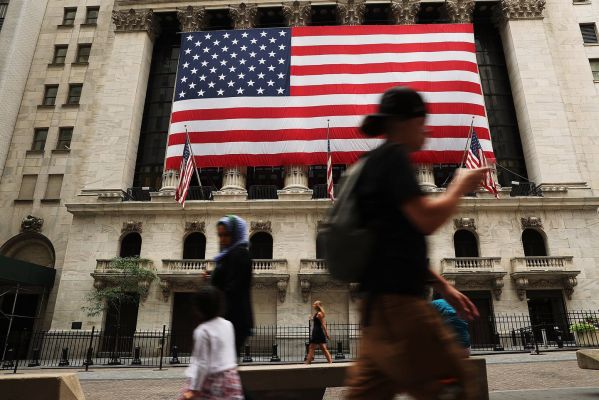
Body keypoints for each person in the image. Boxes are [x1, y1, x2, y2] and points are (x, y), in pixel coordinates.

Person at [345, 86, 489, 400]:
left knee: (367, 395)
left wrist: (443, 286)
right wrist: (458, 186)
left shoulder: (370, 164)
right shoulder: (393, 159)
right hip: (400, 309)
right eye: (423, 121)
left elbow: (392, 244)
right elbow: (426, 220)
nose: (428, 129)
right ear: (406, 122)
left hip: (375, 309)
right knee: (455, 385)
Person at [180, 286, 243, 400]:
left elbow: (201, 364)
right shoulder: (228, 325)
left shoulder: (203, 330)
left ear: (199, 308)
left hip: (213, 381)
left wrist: (194, 389)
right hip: (232, 379)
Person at [210, 215, 254, 354]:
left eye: (226, 235)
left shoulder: (240, 254)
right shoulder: (227, 254)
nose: (222, 239)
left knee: (224, 364)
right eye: (220, 235)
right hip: (227, 319)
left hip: (233, 320)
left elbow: (234, 287)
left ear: (235, 233)